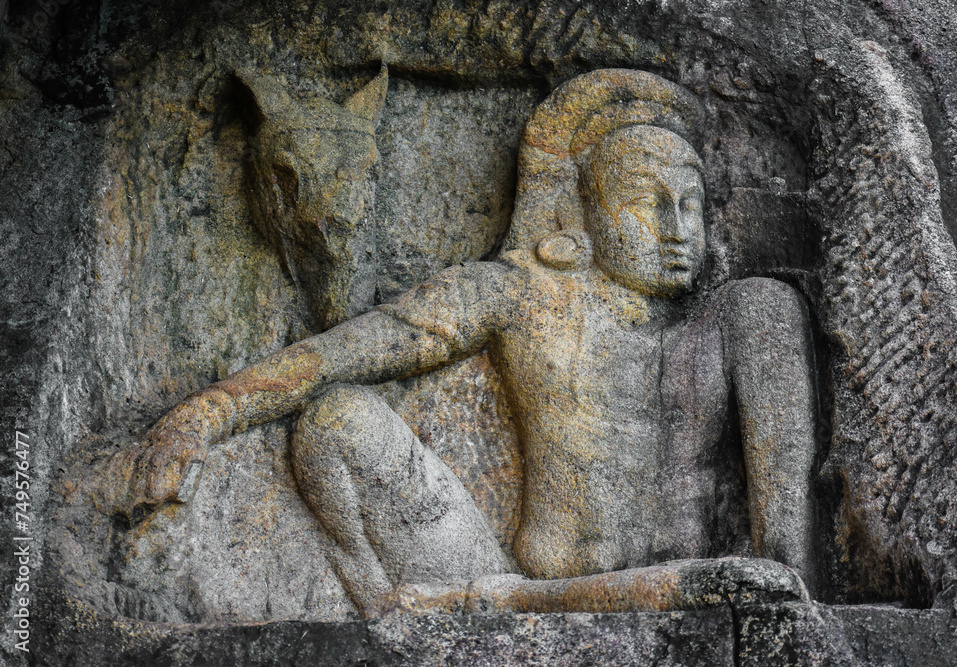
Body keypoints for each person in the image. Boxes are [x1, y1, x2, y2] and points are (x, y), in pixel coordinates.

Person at [110, 70, 817, 618]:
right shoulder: (524, 291)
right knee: (339, 419)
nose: (674, 225)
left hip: (677, 594)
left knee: (758, 584)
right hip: (506, 575)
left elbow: (774, 575)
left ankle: (490, 607)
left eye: (690, 202)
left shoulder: (739, 316)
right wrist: (206, 411)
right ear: (586, 208)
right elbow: (361, 346)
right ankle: (391, 614)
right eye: (644, 199)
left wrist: (777, 585)